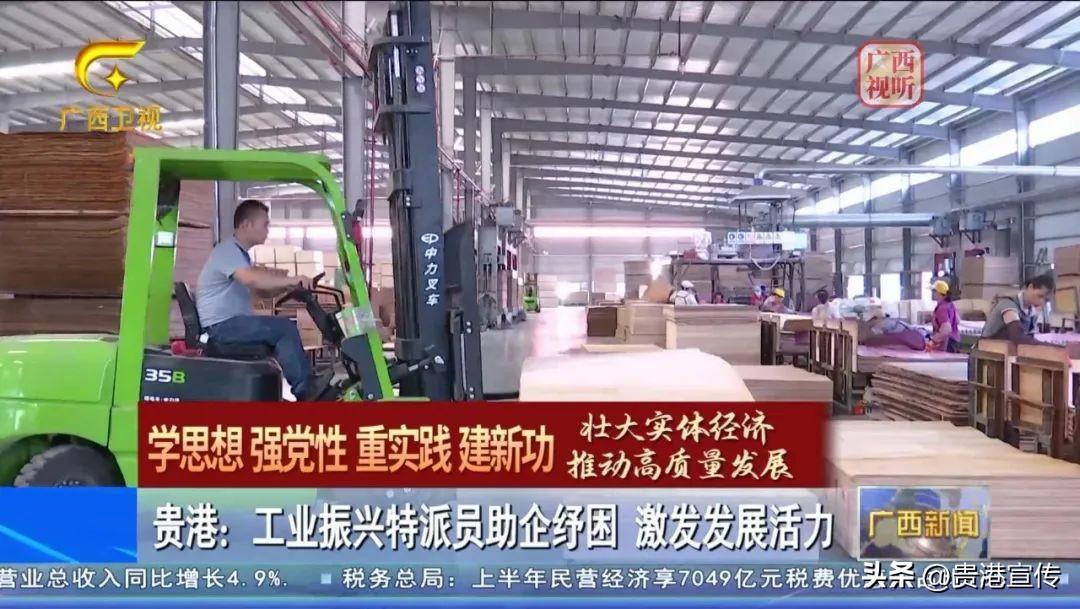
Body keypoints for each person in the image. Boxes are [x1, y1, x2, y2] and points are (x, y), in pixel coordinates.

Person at [196, 199, 326, 400]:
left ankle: (304, 385)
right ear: (246, 225)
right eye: (265, 225)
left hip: (228, 324)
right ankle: (306, 390)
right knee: (284, 329)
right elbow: (252, 279)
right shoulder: (227, 250)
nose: (268, 231)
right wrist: (291, 279)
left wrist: (289, 287)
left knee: (282, 328)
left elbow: (260, 292)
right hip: (222, 326)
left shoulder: (240, 255)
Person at [980, 273, 1055, 345]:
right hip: (988, 350)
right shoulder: (1008, 304)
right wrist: (1049, 346)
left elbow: (1030, 340)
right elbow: (1017, 336)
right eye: (1040, 296)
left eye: (1046, 300)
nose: (1042, 302)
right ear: (1030, 287)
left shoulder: (1032, 314)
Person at [928, 280, 961, 353]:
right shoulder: (950, 305)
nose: (932, 293)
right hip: (955, 342)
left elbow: (946, 329)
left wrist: (933, 340)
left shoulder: (942, 308)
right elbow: (957, 320)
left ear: (939, 293)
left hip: (948, 344)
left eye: (934, 291)